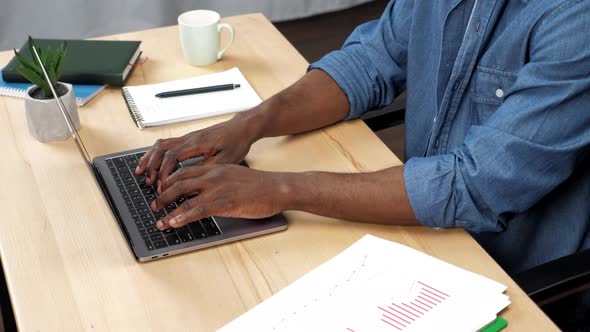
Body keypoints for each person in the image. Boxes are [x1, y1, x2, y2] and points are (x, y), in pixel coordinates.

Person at [137, 0, 590, 327]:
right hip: (416, 235)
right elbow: (371, 59)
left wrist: (278, 190)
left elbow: (473, 185)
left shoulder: (576, 21)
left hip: (514, 281)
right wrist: (246, 126)